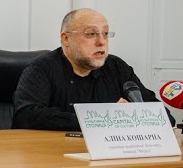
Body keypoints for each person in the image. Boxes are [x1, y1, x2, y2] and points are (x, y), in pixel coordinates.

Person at [12, 8, 170, 131]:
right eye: (91, 34)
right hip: (53, 153)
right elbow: (26, 116)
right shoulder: (41, 69)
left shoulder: (116, 67)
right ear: (66, 39)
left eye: (105, 33)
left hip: (108, 152)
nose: (102, 42)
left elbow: (164, 115)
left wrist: (133, 115)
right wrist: (106, 117)